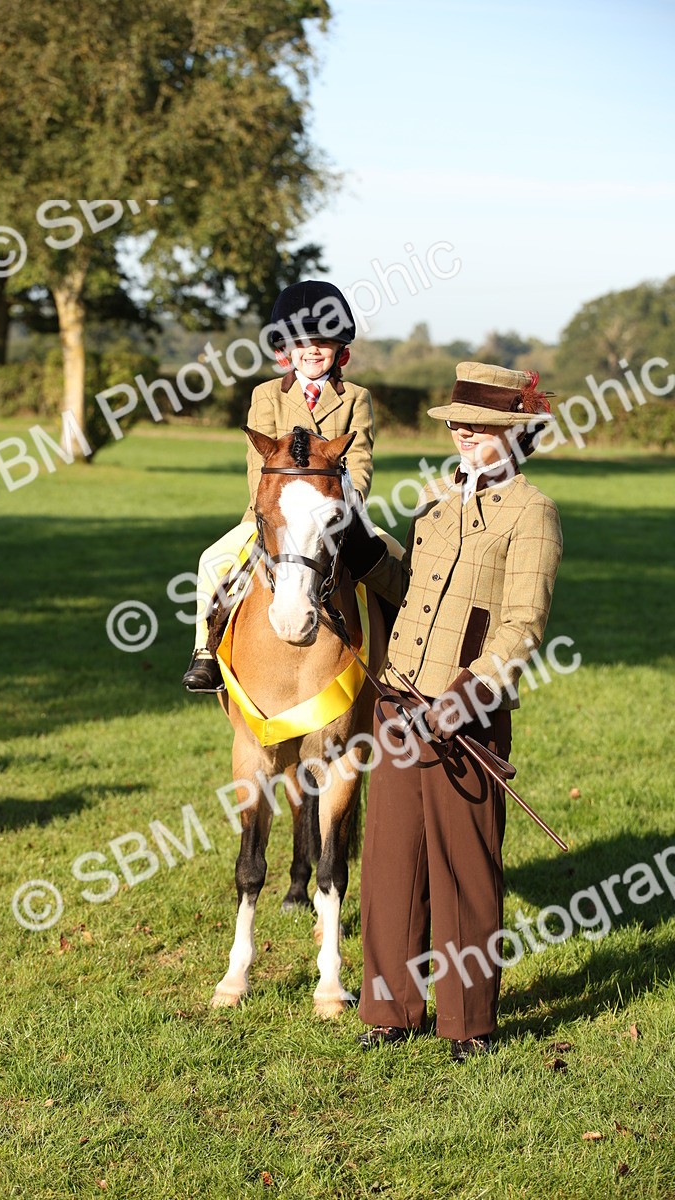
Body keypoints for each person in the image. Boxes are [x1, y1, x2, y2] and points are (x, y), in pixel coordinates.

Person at [340, 360, 563, 1062]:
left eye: (480, 425)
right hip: (399, 702)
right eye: (460, 423)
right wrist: (366, 554)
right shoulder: (434, 498)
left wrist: (469, 692)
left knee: (465, 868)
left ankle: (469, 1022)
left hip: (465, 715)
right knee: (390, 863)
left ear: (512, 432)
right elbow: (407, 589)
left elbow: (524, 624)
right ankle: (389, 1008)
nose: (464, 433)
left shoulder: (533, 512)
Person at [182, 279, 402, 692]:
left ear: (339, 349)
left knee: (398, 563)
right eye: (302, 343)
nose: (313, 350)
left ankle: (401, 661)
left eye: (323, 342)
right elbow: (257, 464)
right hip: (274, 516)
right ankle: (205, 652)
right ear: (286, 350)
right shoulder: (266, 395)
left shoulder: (356, 398)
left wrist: (345, 508)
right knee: (212, 561)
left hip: (337, 516)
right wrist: (272, 510)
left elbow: (361, 460)